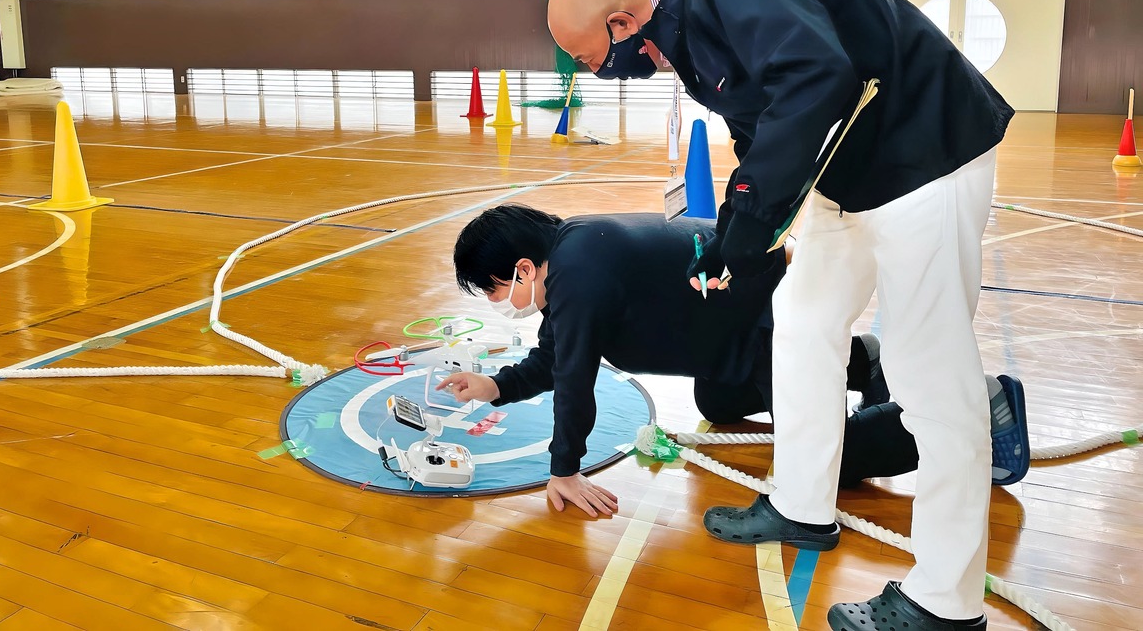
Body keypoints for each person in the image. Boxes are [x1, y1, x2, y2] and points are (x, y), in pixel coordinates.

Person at [545, 0, 1015, 631]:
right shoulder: (679, 24)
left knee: (928, 369)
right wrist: (741, 243)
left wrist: (754, 213)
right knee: (800, 324)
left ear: (621, 25)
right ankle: (802, 504)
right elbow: (759, 128)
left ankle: (947, 601)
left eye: (592, 59)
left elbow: (817, 73)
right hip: (849, 170)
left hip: (925, 156)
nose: (602, 71)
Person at [439, 205, 1028, 523]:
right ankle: (858, 362)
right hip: (740, 323)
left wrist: (564, 469)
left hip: (769, 319)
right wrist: (494, 384)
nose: (497, 305)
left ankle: (983, 409)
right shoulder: (573, 251)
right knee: (716, 404)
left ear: (521, 268)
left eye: (492, 291)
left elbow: (573, 381)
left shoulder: (578, 279)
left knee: (822, 459)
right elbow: (559, 352)